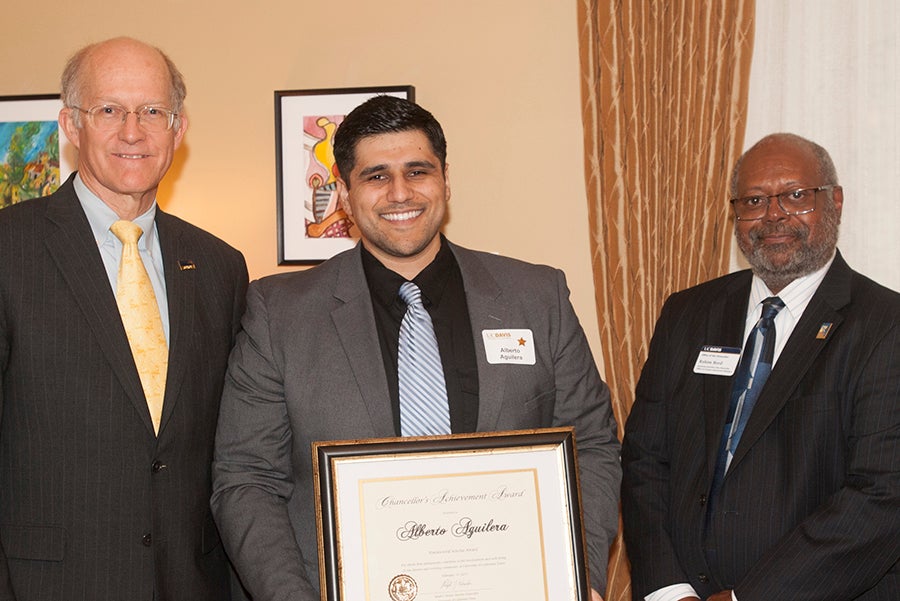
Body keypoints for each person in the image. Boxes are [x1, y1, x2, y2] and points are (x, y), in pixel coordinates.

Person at [210, 95, 621, 600]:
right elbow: (247, 479)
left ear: (446, 180)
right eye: (376, 176)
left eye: (418, 171)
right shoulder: (280, 313)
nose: (400, 193)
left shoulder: (537, 297)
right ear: (343, 192)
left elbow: (593, 445)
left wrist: (578, 577)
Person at [0, 37, 248, 601]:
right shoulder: (7, 249)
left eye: (153, 112)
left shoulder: (219, 266)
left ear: (178, 130)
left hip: (191, 583)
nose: (132, 131)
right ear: (70, 124)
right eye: (109, 109)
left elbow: (230, 448)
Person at [621, 133, 899, 601]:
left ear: (835, 201)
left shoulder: (885, 326)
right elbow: (646, 460)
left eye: (795, 195)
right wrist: (670, 591)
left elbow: (881, 496)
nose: (773, 214)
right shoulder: (687, 313)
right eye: (753, 200)